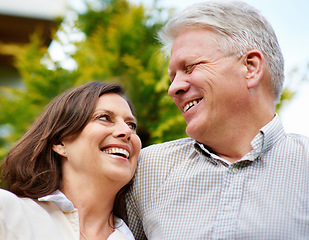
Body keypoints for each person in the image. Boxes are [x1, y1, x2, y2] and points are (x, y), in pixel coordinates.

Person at [125, 1, 309, 239]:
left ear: (251, 67)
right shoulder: (145, 170)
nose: (173, 88)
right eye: (173, 77)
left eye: (189, 68)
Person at [0, 81, 141, 240]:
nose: (126, 131)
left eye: (131, 125)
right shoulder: (8, 214)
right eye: (104, 118)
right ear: (60, 143)